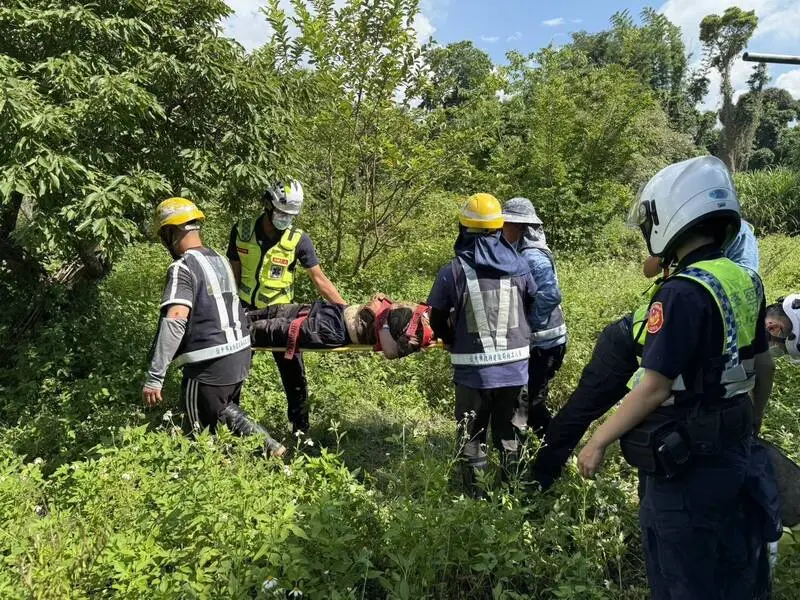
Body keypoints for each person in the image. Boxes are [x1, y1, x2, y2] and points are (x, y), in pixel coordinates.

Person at [576, 156, 777, 599]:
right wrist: (752, 421)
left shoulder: (680, 292)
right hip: (735, 447)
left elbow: (654, 386)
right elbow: (763, 364)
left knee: (681, 577)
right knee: (738, 569)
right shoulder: (745, 279)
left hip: (688, 464)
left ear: (671, 215)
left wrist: (596, 441)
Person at [533, 204, 764, 489]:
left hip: (671, 347)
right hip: (631, 341)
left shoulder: (735, 254)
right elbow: (649, 269)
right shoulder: (686, 282)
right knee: (581, 410)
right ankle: (539, 478)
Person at [142, 197, 285, 457]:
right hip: (240, 354)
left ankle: (216, 472)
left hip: (208, 363)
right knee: (224, 409)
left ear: (170, 233)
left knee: (199, 432)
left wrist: (155, 376)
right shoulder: (219, 259)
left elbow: (175, 320)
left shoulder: (182, 267)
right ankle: (269, 446)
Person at [426, 193, 537, 496]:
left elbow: (434, 317)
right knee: (511, 438)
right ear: (499, 228)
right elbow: (531, 305)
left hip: (473, 375)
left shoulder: (453, 271)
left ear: (463, 229)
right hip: (515, 372)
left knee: (472, 441)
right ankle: (514, 496)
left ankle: (477, 502)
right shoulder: (522, 266)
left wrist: (449, 340)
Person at [227, 181, 345, 433]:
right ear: (268, 205)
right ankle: (229, 423)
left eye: (290, 216)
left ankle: (300, 430)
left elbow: (319, 279)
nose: (285, 220)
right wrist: (226, 308)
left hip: (282, 316)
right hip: (245, 312)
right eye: (281, 213)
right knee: (233, 370)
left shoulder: (298, 240)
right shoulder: (242, 231)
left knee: (294, 376)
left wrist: (344, 311)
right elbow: (233, 274)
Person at [501, 197, 567, 438]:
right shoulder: (521, 251)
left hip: (544, 343)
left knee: (533, 402)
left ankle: (553, 448)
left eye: (506, 224)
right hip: (540, 342)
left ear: (520, 227)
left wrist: (528, 326)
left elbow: (550, 295)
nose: (501, 229)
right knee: (526, 397)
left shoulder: (532, 257)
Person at [248, 294, 434, 360]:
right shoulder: (422, 309)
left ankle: (225, 337)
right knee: (271, 313)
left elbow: (390, 352)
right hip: (336, 311)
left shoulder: (421, 333)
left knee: (264, 330)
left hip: (334, 330)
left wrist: (383, 322)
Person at [642, 218, 759, 277]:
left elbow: (748, 279)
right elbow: (648, 271)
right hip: (679, 297)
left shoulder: (738, 229)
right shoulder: (682, 225)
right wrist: (666, 248)